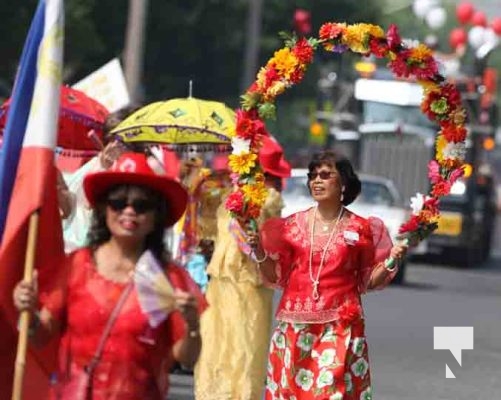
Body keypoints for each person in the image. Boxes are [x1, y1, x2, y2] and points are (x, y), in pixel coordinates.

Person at [13, 152, 205, 400]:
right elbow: (41, 337)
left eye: (141, 204)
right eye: (118, 202)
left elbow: (187, 358)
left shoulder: (168, 277)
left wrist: (192, 325)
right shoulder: (77, 265)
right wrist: (28, 313)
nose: (129, 211)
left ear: (156, 215)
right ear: (104, 209)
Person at [246, 150, 407, 399]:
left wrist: (391, 260)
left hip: (339, 327)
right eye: (313, 176)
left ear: (343, 181)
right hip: (294, 327)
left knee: (331, 393)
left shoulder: (361, 228)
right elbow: (276, 275)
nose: (316, 181)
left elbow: (366, 282)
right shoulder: (290, 226)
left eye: (325, 175)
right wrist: (259, 252)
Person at [194, 142, 291, 400]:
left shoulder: (269, 197)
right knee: (215, 345)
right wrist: (201, 197)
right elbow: (209, 231)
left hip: (250, 281)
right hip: (220, 279)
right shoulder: (228, 194)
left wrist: (241, 197)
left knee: (244, 347)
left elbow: (259, 229)